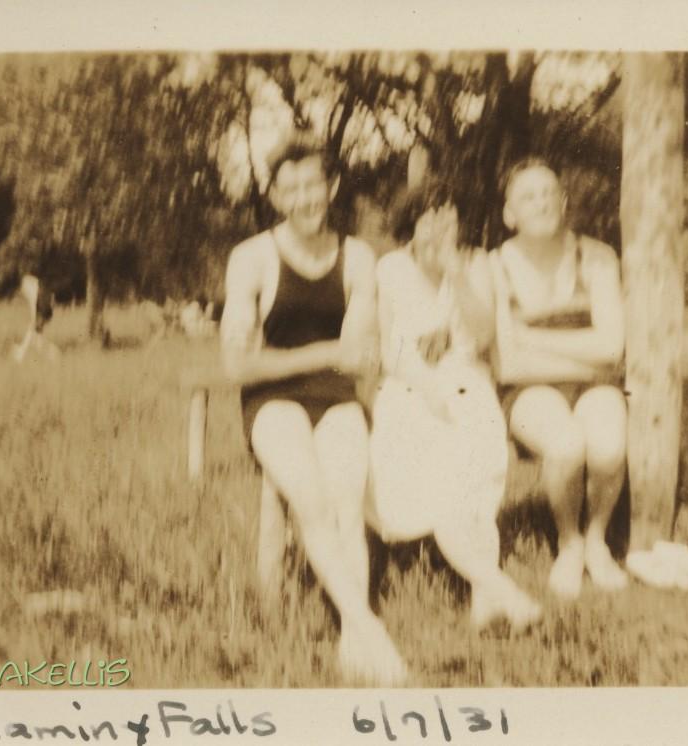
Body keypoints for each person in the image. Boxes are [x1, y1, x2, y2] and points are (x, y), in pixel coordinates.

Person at [218, 132, 407, 685]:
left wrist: (296, 357)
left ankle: (354, 635)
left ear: (333, 187)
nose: (305, 198)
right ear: (276, 197)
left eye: (314, 185)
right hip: (271, 403)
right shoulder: (251, 258)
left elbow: (358, 358)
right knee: (311, 497)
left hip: (337, 398)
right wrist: (325, 351)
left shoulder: (357, 257)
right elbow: (237, 366)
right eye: (291, 188)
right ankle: (370, 629)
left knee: (347, 498)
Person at [368, 183, 542, 630]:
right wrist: (426, 387)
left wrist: (456, 274)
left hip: (467, 387)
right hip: (410, 389)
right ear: (411, 225)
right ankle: (499, 589)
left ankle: (487, 595)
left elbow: (483, 338)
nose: (440, 230)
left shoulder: (477, 265)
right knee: (441, 479)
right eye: (429, 219)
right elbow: (390, 352)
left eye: (449, 218)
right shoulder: (389, 269)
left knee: (468, 469)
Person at [491, 157, 629, 601]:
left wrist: (531, 338)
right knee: (567, 444)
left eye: (549, 193)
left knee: (608, 445)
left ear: (564, 202)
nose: (542, 203)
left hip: (594, 385)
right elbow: (508, 365)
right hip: (527, 391)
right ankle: (568, 541)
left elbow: (612, 348)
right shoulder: (497, 266)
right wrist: (586, 354)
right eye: (528, 196)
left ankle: (596, 539)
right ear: (510, 214)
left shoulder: (597, 257)